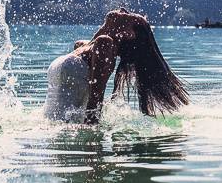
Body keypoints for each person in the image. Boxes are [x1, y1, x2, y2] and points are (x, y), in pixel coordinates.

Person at [43, 9, 188, 123]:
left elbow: (95, 101)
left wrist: (91, 151)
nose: (123, 10)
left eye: (129, 16)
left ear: (129, 34)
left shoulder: (104, 45)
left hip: (67, 130)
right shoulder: (83, 46)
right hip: (50, 127)